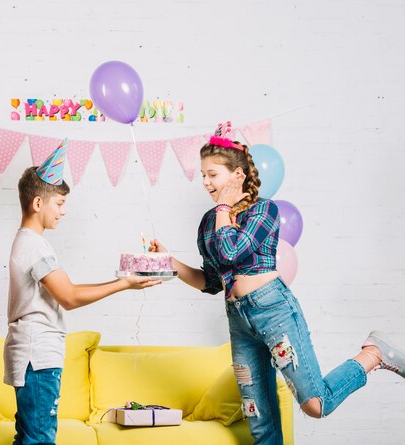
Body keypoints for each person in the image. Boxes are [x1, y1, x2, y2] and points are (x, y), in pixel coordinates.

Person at [149, 122, 405, 445]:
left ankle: (373, 354)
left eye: (212, 174)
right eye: (202, 175)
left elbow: (231, 252)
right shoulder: (208, 223)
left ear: (237, 176)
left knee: (316, 403)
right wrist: (169, 262)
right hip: (239, 322)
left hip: (273, 309)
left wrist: (225, 208)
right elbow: (211, 281)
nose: (205, 182)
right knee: (260, 422)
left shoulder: (263, 211)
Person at [5, 143, 161, 445]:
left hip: (34, 352)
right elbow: (70, 297)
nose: (63, 211)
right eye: (59, 204)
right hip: (37, 353)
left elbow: (69, 291)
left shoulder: (31, 242)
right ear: (38, 203)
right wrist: (125, 283)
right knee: (39, 438)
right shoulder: (32, 245)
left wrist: (124, 281)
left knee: (30, 435)